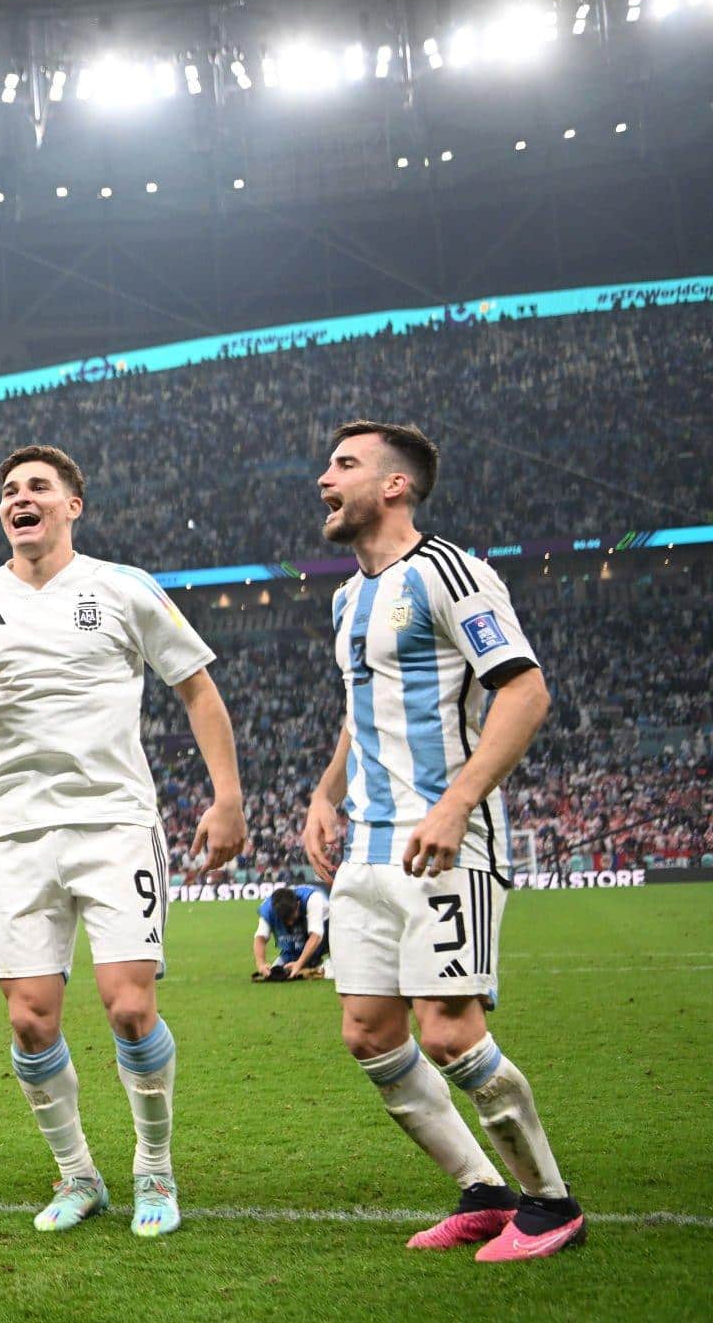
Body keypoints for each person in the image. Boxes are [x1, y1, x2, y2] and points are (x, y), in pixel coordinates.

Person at [0, 444, 246, 1240]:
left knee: (130, 1008)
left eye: (39, 486)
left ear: (73, 505)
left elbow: (197, 687)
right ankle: (78, 1174)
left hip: (114, 823)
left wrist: (228, 795)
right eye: (10, 489)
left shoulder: (123, 587)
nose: (21, 497)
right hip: (21, 832)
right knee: (30, 1020)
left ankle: (155, 1168)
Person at [302, 420, 582, 1261]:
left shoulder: (449, 572)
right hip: (367, 849)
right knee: (368, 1031)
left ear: (394, 484)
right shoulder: (347, 598)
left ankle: (552, 1203)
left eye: (344, 464)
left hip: (445, 843)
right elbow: (361, 708)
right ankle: (484, 1190)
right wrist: (324, 794)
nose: (324, 479)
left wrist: (458, 802)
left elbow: (525, 690)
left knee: (450, 1032)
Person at [252, 885, 329, 981]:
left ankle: (325, 965)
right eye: (285, 920)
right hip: (298, 938)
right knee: (279, 972)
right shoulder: (268, 909)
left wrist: (299, 963)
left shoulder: (313, 900)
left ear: (298, 904)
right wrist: (261, 963)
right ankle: (307, 963)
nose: (290, 923)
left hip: (327, 927)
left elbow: (316, 936)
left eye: (292, 917)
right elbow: (260, 938)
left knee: (311, 964)